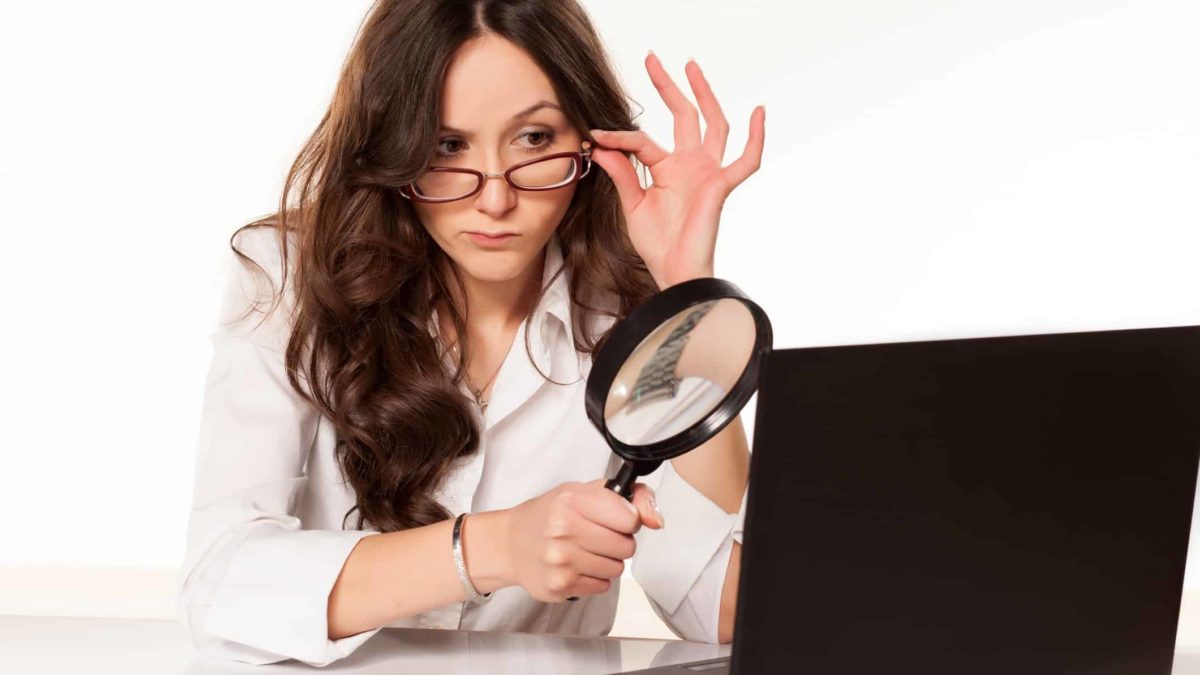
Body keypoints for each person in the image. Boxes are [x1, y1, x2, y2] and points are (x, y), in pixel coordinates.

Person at [176, 0, 765, 667]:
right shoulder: (289, 276)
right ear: (391, 148)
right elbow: (220, 585)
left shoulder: (626, 308)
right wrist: (495, 546)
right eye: (447, 146)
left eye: (534, 139)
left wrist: (686, 291)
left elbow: (730, 611)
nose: (495, 199)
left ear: (589, 140)